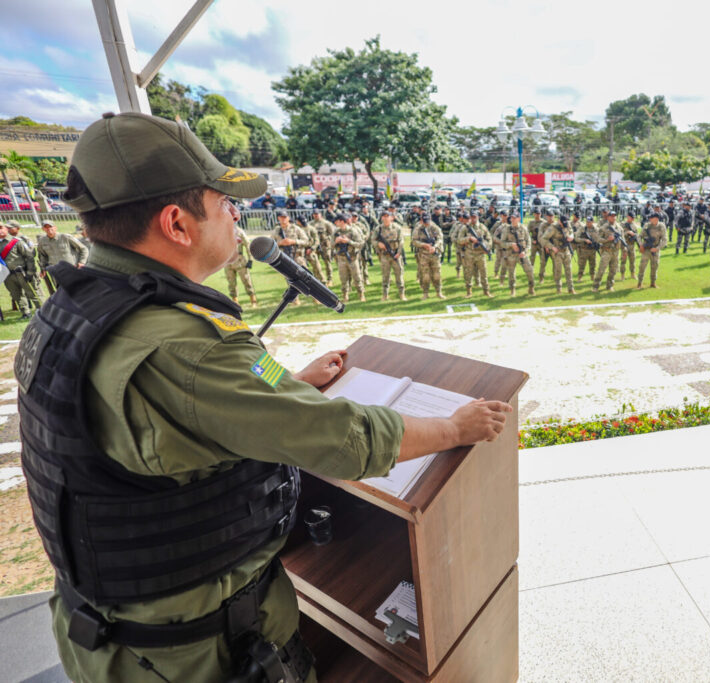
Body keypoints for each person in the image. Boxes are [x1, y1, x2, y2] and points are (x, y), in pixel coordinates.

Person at [24, 111, 512, 683]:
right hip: (195, 652)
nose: (237, 214)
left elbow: (173, 422)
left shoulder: (73, 310)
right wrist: (454, 428)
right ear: (177, 223)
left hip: (109, 630)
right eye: (223, 202)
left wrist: (288, 387)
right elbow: (346, 441)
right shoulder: (186, 346)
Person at [0, 222, 43, 316]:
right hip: (8, 275)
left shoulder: (16, 241)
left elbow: (29, 256)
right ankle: (25, 313)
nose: (0, 230)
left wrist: (30, 272)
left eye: (1, 228)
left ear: (6, 229)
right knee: (16, 294)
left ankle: (43, 311)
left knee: (33, 293)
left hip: (22, 272)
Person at [333, 212, 366, 302]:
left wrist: (348, 241)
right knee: (343, 278)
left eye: (337, 221)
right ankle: (345, 296)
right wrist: (336, 241)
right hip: (341, 258)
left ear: (341, 221)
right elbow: (331, 245)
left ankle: (361, 294)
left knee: (357, 277)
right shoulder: (336, 232)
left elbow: (360, 244)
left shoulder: (353, 231)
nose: (335, 223)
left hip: (352, 258)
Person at [223, 225, 258, 308]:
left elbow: (248, 245)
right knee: (231, 282)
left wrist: (250, 259)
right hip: (227, 261)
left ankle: (253, 300)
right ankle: (235, 302)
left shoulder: (239, 232)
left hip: (239, 260)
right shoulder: (222, 231)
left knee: (246, 280)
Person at [411, 213, 445, 299]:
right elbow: (414, 241)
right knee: (425, 275)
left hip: (435, 254)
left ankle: (439, 292)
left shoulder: (435, 228)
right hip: (423, 255)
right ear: (421, 220)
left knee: (437, 274)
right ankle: (425, 293)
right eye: (425, 221)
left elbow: (440, 239)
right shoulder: (418, 229)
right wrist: (423, 245)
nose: (427, 223)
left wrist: (434, 247)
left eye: (428, 221)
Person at [374, 211, 407, 301]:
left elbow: (401, 240)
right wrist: (378, 244)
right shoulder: (378, 229)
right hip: (385, 256)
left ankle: (402, 294)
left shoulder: (397, 227)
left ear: (391, 217)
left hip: (396, 254)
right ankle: (385, 295)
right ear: (381, 218)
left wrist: (399, 252)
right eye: (383, 216)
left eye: (387, 216)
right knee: (385, 276)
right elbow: (373, 240)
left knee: (399, 275)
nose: (385, 218)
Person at [539, 215, 575, 295]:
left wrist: (571, 236)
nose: (564, 225)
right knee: (558, 271)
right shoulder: (553, 227)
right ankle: (559, 289)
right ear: (559, 221)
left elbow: (571, 231)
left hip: (566, 251)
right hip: (557, 252)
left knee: (569, 270)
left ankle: (571, 289)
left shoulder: (567, 224)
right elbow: (543, 239)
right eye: (563, 223)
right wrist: (552, 247)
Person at [636, 213, 667, 288]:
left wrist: (657, 248)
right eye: (650, 218)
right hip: (646, 249)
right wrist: (641, 245)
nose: (650, 219)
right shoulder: (647, 225)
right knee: (642, 266)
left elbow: (664, 240)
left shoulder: (661, 226)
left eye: (651, 218)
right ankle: (639, 283)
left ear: (656, 219)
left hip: (655, 249)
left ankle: (653, 283)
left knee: (654, 266)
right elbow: (639, 236)